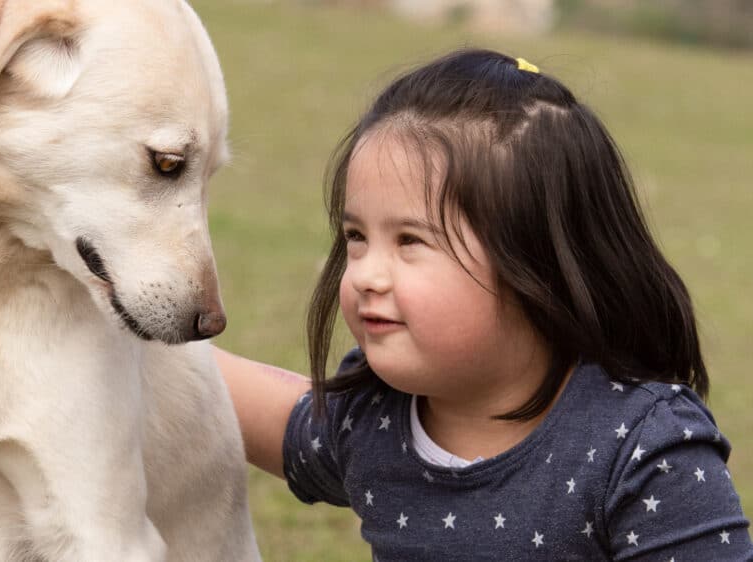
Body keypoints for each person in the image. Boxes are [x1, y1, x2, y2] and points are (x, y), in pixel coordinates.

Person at [214, 48, 753, 560]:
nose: (365, 275)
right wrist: (138, 339)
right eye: (357, 236)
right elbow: (240, 402)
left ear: (532, 266)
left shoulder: (644, 450)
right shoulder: (375, 418)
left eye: (410, 241)